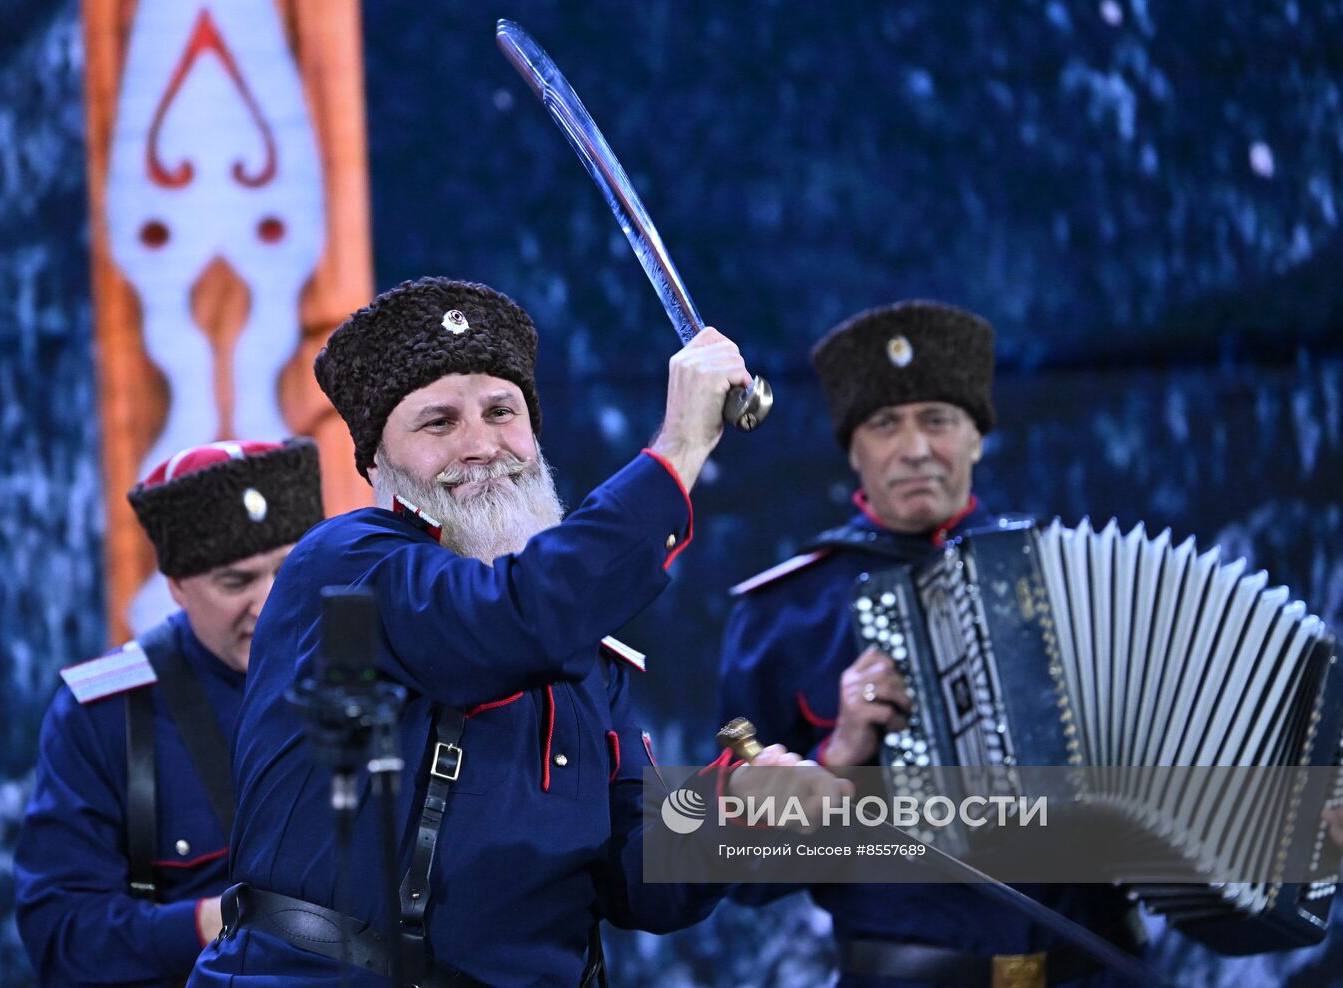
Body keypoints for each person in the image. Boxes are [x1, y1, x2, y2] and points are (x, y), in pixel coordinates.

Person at [189, 276, 846, 987]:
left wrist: (730, 815)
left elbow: (637, 876)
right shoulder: (347, 567)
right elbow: (515, 618)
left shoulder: (584, 650)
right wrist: (680, 446)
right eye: (438, 423)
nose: (480, 446)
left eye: (501, 412)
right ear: (377, 463)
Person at [717, 300, 1139, 986]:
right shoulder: (780, 616)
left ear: (977, 436)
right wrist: (841, 754)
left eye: (938, 420)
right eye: (885, 425)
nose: (915, 448)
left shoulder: (1077, 578)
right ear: (852, 448)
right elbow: (730, 866)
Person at [14, 438, 325, 986]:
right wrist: (211, 921)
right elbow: (61, 936)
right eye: (236, 581)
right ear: (177, 587)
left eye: (290, 569)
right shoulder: (103, 711)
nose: (271, 602)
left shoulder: (377, 666)